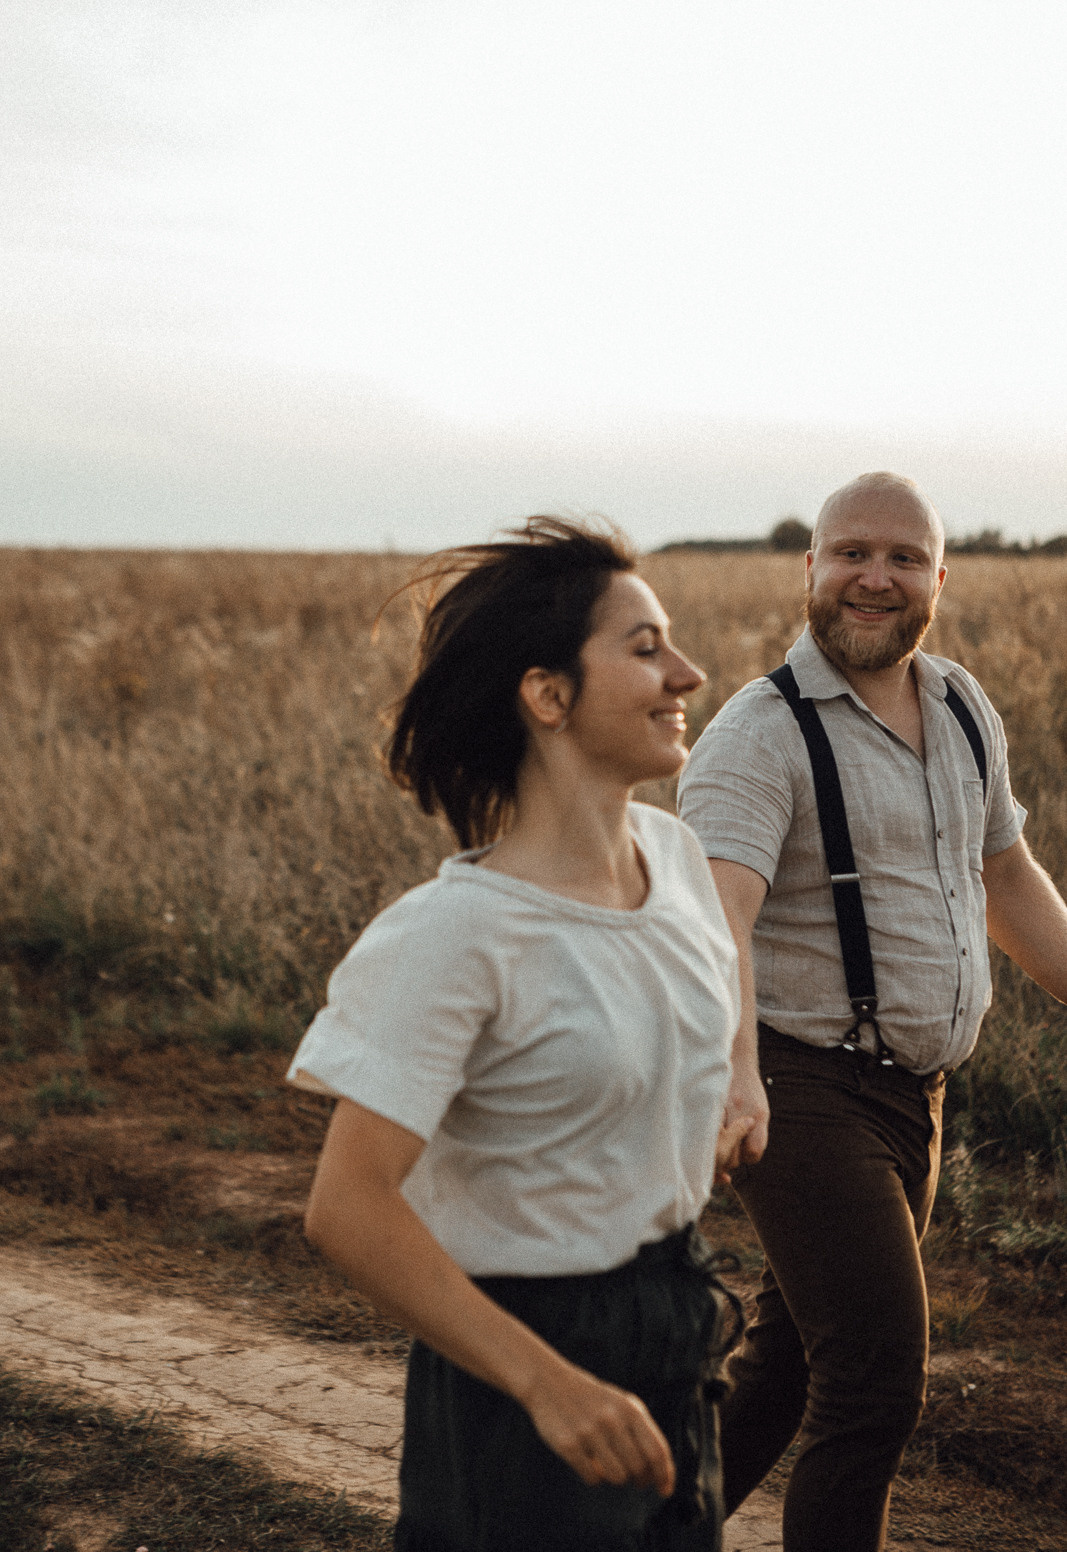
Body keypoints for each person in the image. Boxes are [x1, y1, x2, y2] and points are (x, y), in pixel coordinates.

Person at [287, 517, 753, 1552]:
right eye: (643, 648)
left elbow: (692, 1003)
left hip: (674, 1322)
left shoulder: (674, 861)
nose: (687, 672)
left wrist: (721, 1094)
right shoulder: (456, 934)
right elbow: (347, 1207)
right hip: (522, 1358)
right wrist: (548, 1385)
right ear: (546, 696)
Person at [677, 472, 1067, 1552]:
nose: (873, 577)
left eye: (901, 558)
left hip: (913, 1099)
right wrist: (734, 1073)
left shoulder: (956, 706)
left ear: (937, 578)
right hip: (798, 1087)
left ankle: (627, 1534)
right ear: (809, 567)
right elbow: (716, 922)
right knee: (872, 1387)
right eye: (850, 551)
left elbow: (1010, 881)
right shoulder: (758, 733)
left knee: (790, 1364)